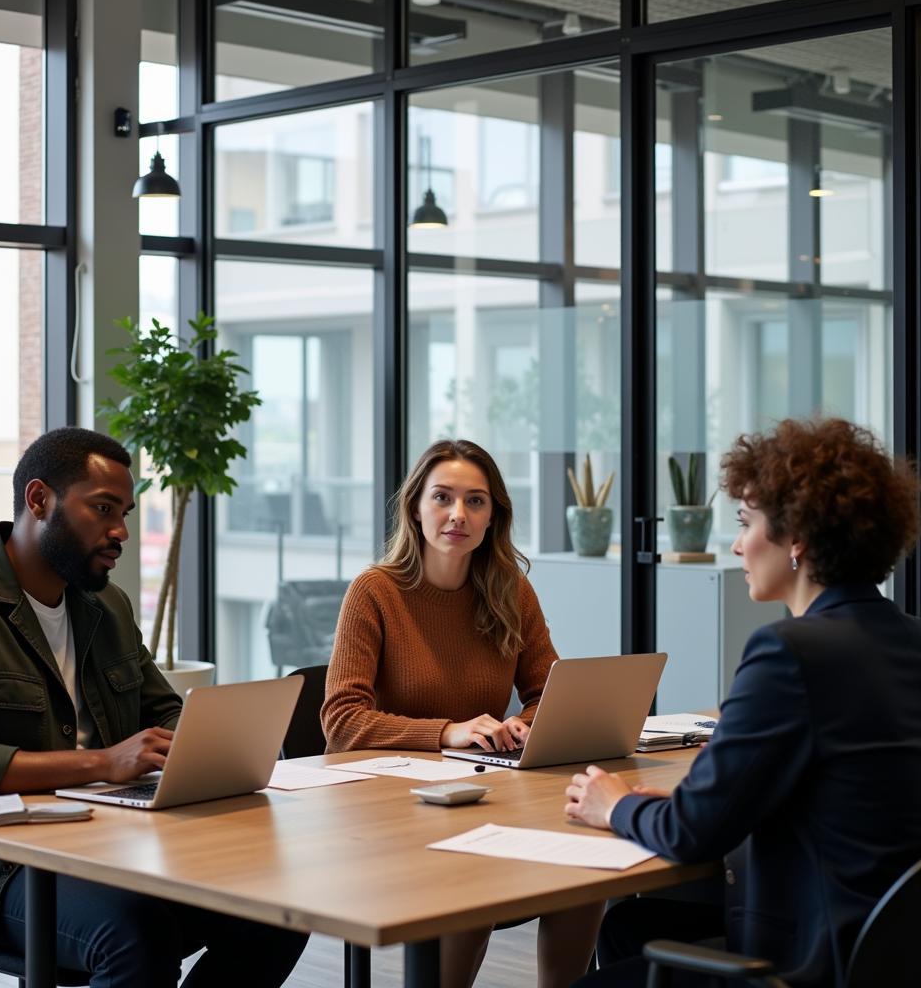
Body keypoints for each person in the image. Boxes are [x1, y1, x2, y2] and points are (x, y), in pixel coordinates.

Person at [0, 427, 308, 988]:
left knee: (278, 911)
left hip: (105, 843)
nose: (120, 532)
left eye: (126, 513)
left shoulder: (106, 605)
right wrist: (104, 763)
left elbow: (165, 714)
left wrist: (214, 746)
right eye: (103, 509)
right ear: (38, 500)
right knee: (132, 933)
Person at [565, 417, 921, 988]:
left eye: (747, 522)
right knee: (634, 923)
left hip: (808, 962)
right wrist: (698, 800)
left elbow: (691, 836)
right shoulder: (908, 639)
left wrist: (614, 804)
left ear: (797, 537)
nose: (736, 544)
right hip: (888, 952)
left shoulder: (789, 652)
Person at [322, 438, 602, 988]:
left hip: (479, 795)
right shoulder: (375, 592)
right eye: (443, 497)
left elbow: (550, 691)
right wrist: (448, 732)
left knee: (586, 861)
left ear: (493, 514)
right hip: (386, 810)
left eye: (476, 501)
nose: (458, 515)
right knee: (474, 879)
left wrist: (527, 723)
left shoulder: (510, 591)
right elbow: (342, 720)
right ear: (415, 507)